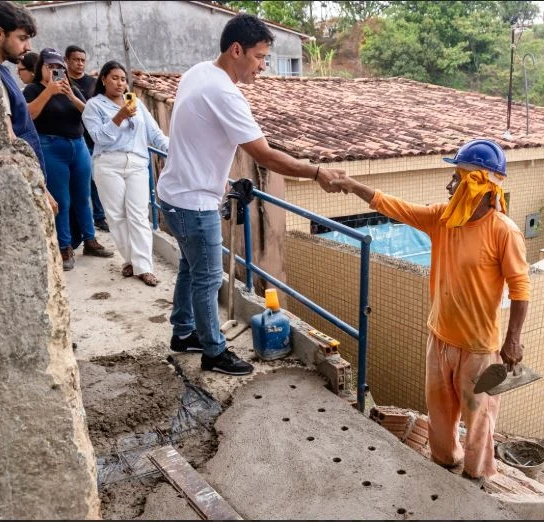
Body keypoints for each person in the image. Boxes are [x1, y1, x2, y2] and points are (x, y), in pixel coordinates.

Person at [156, 13, 346, 376]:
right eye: (259, 57)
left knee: (190, 267)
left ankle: (183, 332)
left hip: (174, 192)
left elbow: (198, 140)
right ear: (236, 50)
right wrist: (317, 171)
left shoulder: (199, 72)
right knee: (208, 278)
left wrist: (222, 181)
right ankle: (214, 351)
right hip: (193, 202)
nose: (262, 66)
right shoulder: (224, 93)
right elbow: (265, 155)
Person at [333, 139, 531, 480]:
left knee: (479, 420)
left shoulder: (504, 232)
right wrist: (352, 185)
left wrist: (513, 339)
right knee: (439, 414)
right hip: (439, 339)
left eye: (457, 177)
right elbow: (395, 207)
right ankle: (444, 463)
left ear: (478, 184)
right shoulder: (443, 219)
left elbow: (520, 288)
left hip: (479, 350)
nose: (449, 185)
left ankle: (476, 478)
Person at [24, 47, 113, 270]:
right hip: (51, 146)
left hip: (78, 145)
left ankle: (90, 240)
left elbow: (89, 113)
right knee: (62, 200)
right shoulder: (33, 89)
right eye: (50, 66)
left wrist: (71, 96)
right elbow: (29, 115)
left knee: (83, 196)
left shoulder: (71, 88)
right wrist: (49, 92)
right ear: (41, 68)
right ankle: (65, 246)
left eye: (59, 67)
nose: (55, 70)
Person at [82, 61, 169, 287]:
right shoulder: (94, 106)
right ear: (103, 79)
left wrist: (176, 151)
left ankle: (144, 267)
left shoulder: (136, 102)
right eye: (114, 78)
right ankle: (131, 260)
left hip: (137, 163)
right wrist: (119, 116)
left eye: (123, 79)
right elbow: (99, 138)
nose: (120, 83)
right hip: (108, 163)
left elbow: (155, 134)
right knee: (117, 216)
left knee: (138, 214)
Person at [0, 1, 57, 216]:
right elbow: (9, 137)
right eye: (22, 38)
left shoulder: (2, 72)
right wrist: (40, 189)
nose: (28, 47)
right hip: (20, 185)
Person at [65, 44, 109, 233]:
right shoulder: (62, 83)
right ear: (66, 61)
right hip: (73, 137)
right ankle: (81, 223)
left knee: (96, 181)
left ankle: (99, 217)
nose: (80, 63)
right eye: (76, 60)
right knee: (77, 186)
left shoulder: (93, 84)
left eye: (83, 60)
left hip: (93, 139)